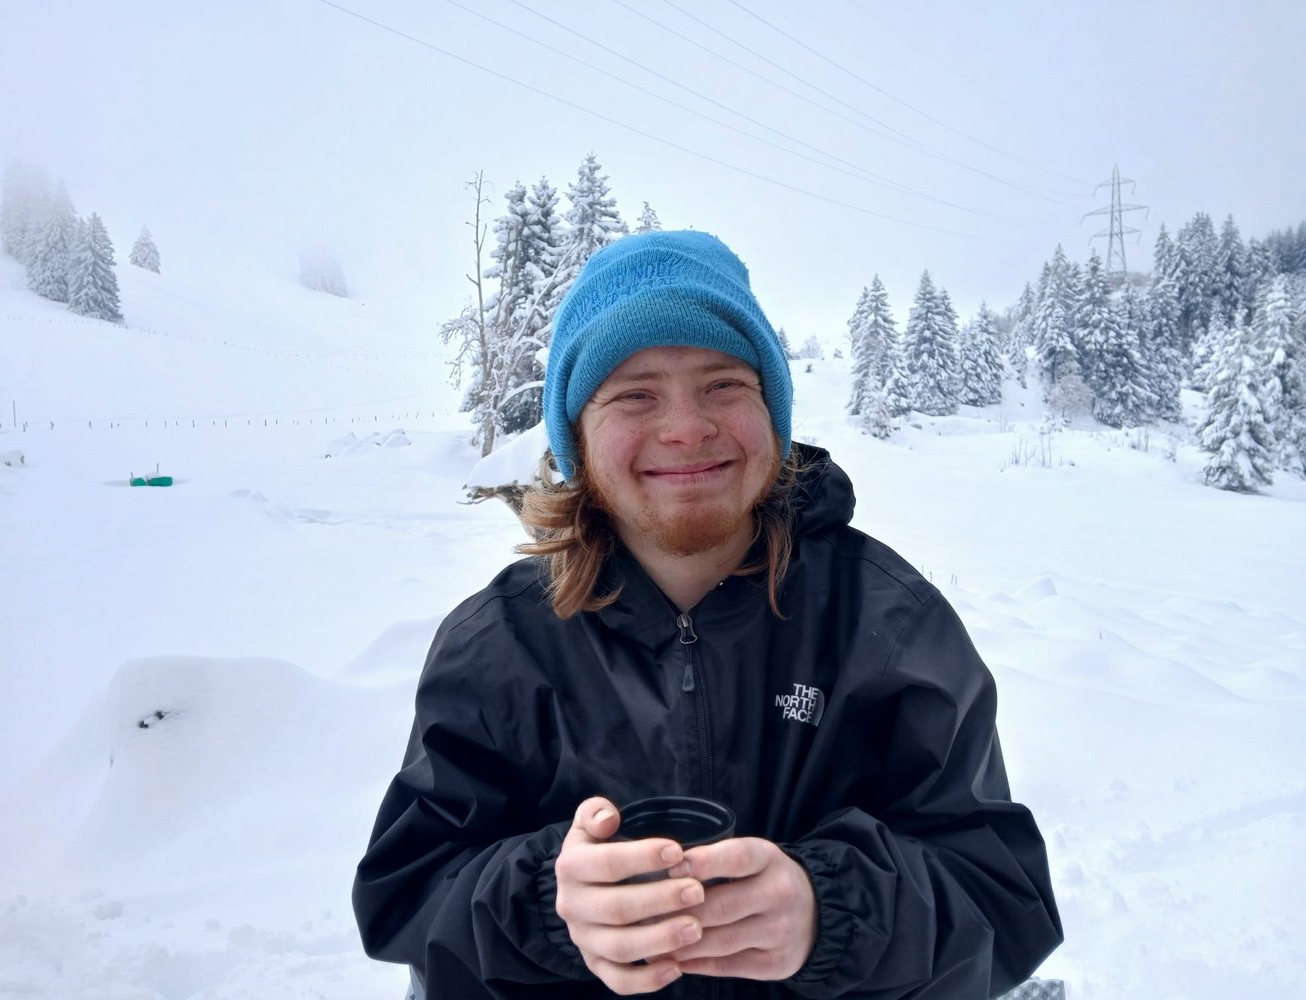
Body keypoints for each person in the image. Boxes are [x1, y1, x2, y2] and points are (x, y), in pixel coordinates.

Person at [353, 230, 1063, 999]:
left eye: (723, 384)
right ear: (577, 434)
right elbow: (406, 893)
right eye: (634, 393)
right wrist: (547, 903)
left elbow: (1002, 899)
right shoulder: (499, 642)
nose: (686, 428)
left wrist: (833, 913)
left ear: (771, 412)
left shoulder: (889, 624)